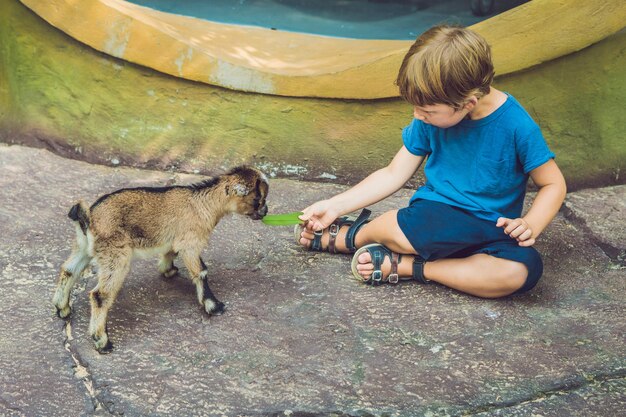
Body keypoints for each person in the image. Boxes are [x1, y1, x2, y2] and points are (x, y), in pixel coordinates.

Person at [295, 25, 566, 298]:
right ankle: (356, 236)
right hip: (437, 218)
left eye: (427, 110)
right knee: (402, 229)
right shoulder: (430, 118)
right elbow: (393, 173)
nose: (418, 115)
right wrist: (334, 205)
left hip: (489, 229)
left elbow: (553, 183)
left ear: (468, 104)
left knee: (521, 271)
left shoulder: (517, 126)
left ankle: (412, 266)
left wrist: (530, 224)